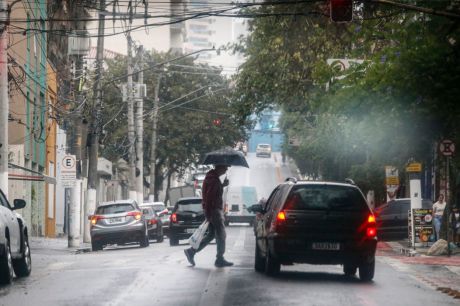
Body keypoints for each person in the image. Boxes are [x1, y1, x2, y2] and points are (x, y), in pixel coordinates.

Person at [184, 164, 233, 267]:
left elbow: (211, 194)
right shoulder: (213, 180)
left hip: (212, 211)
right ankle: (220, 258)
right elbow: (210, 197)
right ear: (219, 167)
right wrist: (209, 213)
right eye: (225, 167)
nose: (226, 169)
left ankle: (191, 251)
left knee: (211, 235)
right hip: (214, 211)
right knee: (221, 234)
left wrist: (222, 185)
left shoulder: (212, 178)